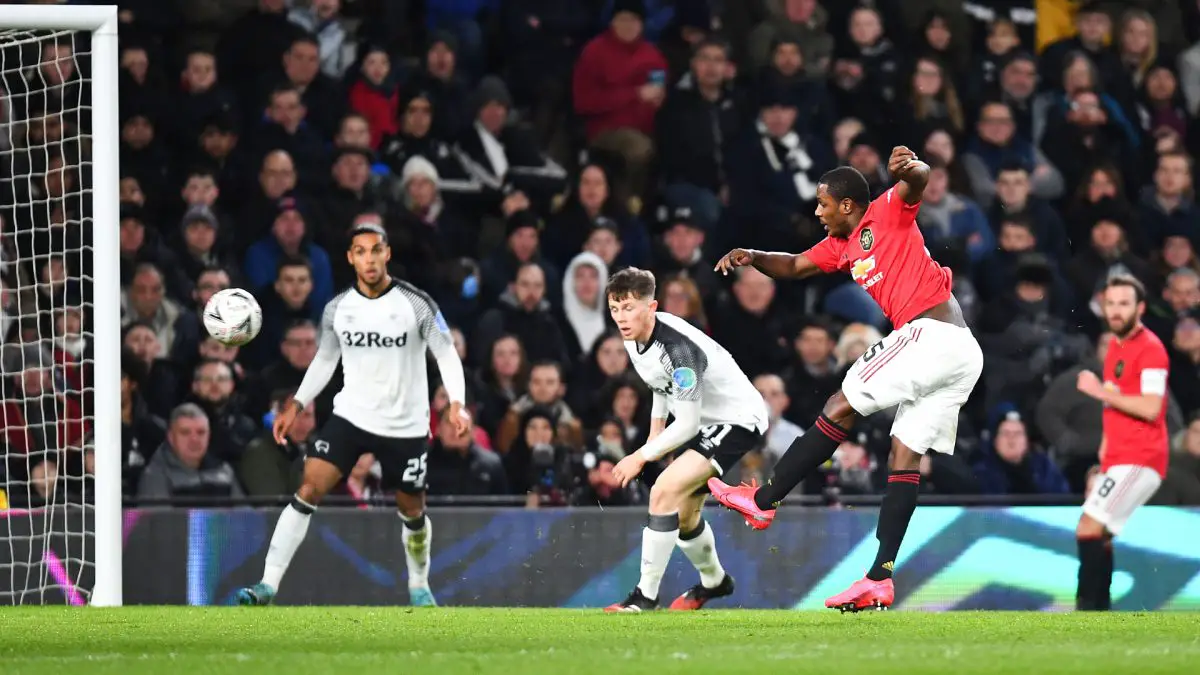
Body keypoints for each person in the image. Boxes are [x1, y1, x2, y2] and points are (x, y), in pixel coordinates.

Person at [708, 148, 984, 612]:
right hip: (959, 352)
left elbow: (919, 179)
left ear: (848, 205)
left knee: (841, 403)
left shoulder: (887, 210)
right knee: (904, 455)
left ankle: (765, 499)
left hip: (930, 333)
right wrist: (753, 255)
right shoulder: (840, 246)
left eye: (823, 204)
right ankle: (879, 578)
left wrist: (912, 167)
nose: (817, 212)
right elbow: (794, 265)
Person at [236, 221, 470, 607]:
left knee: (412, 510)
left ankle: (419, 585)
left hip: (405, 423)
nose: (369, 259)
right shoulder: (338, 308)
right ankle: (267, 585)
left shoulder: (416, 303)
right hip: (352, 416)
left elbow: (446, 354)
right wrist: (296, 404)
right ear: (350, 258)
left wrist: (457, 403)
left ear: (387, 253)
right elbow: (325, 359)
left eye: (376, 250)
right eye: (360, 252)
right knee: (308, 490)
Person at [603, 268, 769, 612]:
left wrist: (641, 455)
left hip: (735, 419)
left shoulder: (679, 350)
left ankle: (645, 597)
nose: (621, 317)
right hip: (703, 421)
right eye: (615, 309)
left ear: (651, 307)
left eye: (629, 308)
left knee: (662, 492)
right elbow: (659, 383)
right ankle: (715, 582)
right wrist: (655, 433)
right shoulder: (634, 334)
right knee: (683, 516)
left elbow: (689, 423)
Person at [1073, 275, 1169, 611]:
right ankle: (1100, 611)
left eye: (1124, 303)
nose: (1115, 310)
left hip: (1141, 456)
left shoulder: (1151, 349)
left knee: (1088, 526)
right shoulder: (1117, 345)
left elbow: (1152, 407)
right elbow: (1116, 401)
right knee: (1100, 533)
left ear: (1140, 308)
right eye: (1110, 303)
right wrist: (1106, 447)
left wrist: (1099, 391)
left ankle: (1087, 608)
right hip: (1120, 456)